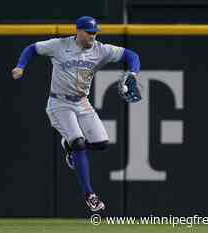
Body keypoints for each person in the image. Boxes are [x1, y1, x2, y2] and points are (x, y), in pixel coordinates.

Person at [12, 16, 141, 212]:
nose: (93, 35)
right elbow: (32, 49)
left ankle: (69, 147)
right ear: (78, 31)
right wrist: (21, 66)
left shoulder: (101, 50)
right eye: (89, 32)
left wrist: (133, 73)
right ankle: (90, 195)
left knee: (101, 143)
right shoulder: (59, 45)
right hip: (59, 102)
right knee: (79, 143)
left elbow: (132, 55)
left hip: (82, 102)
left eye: (95, 32)